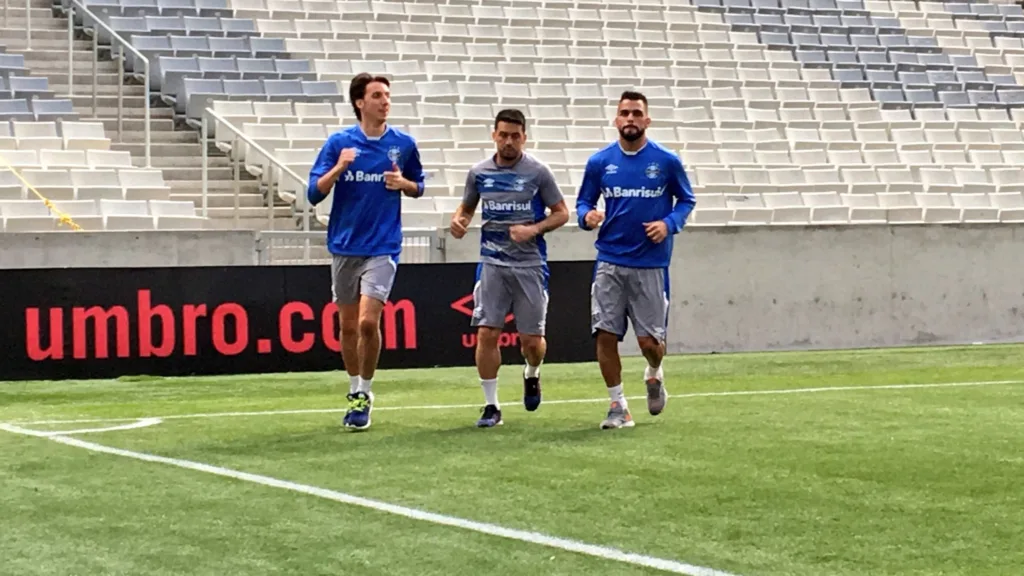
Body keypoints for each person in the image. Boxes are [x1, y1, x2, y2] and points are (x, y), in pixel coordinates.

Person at [307, 73, 426, 431]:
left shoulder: (403, 144)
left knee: (367, 322)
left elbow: (418, 186)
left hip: (383, 245)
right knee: (347, 327)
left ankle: (364, 393)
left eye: (387, 95)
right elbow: (314, 192)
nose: (384, 101)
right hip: (345, 245)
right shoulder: (339, 143)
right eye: (377, 95)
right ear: (360, 102)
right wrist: (340, 167)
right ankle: (354, 387)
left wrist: (404, 184)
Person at [574, 90, 697, 430]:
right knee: (605, 335)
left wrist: (668, 224)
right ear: (616, 120)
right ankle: (618, 406)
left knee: (650, 343)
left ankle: (654, 371)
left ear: (647, 120)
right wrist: (587, 217)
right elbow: (582, 203)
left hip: (650, 264)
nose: (630, 119)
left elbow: (686, 200)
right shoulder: (600, 162)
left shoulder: (666, 161)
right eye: (624, 113)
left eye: (636, 113)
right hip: (609, 261)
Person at [449, 109, 569, 428]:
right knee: (487, 332)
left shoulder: (538, 172)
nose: (508, 141)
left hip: (530, 264)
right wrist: (459, 221)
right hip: (491, 263)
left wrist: (533, 230)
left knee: (531, 342)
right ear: (494, 135)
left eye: (515, 135)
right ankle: (491, 405)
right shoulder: (479, 173)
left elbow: (561, 213)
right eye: (503, 134)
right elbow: (467, 207)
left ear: (524, 138)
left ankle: (532, 372)